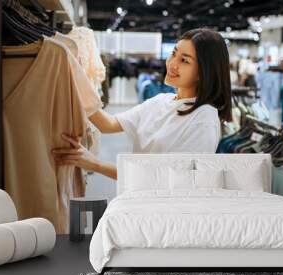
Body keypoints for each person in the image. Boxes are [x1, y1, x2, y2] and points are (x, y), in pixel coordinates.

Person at [52, 28, 232, 180]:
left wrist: (96, 164)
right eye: (174, 54)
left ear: (204, 71)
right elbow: (108, 124)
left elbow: (174, 180)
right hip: (138, 202)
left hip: (163, 214)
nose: (172, 64)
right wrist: (76, 77)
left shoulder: (204, 118)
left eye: (184, 60)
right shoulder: (161, 101)